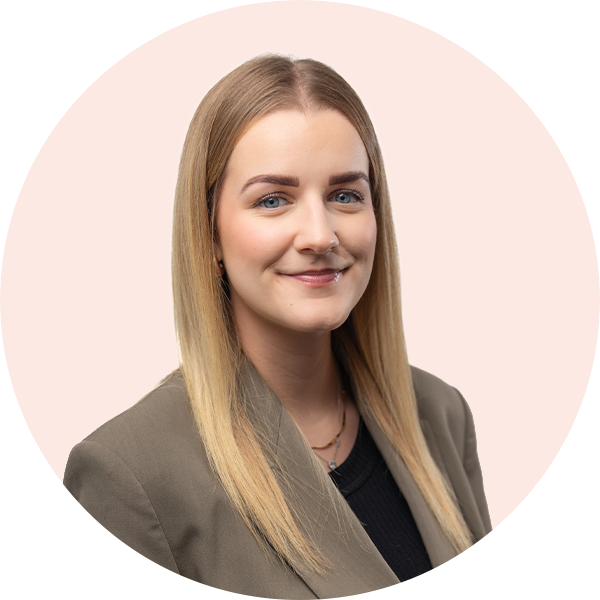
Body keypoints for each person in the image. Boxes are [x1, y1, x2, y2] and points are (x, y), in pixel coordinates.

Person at [64, 54, 492, 598]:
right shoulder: (130, 476)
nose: (320, 235)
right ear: (210, 235)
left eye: (345, 195)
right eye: (273, 200)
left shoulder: (441, 414)